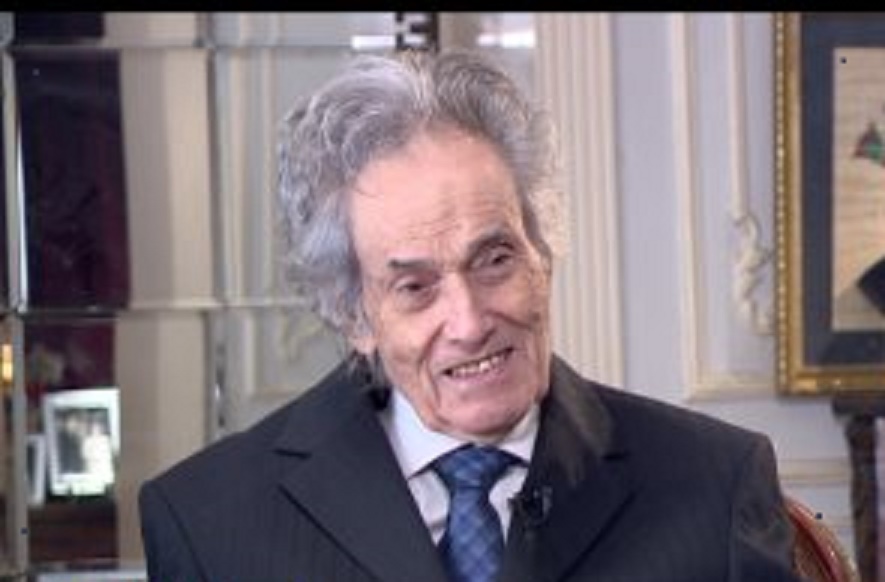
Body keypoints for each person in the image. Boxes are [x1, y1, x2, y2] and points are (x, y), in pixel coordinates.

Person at [138, 49, 804, 582]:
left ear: (543, 255)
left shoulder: (714, 483)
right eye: (415, 287)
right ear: (354, 315)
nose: (469, 321)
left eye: (494, 260)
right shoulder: (208, 522)